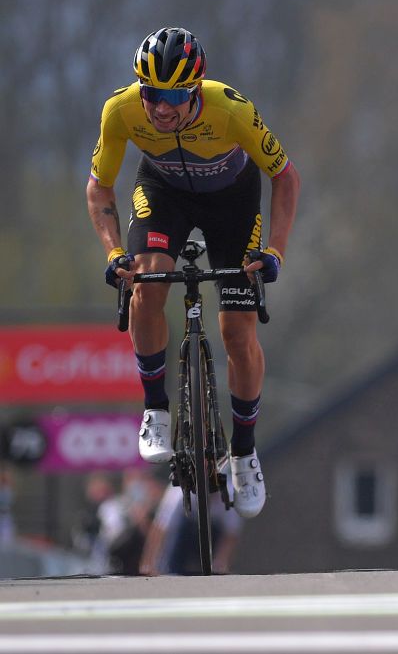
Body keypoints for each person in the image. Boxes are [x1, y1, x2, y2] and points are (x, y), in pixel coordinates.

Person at [86, 27, 300, 519]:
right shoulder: (120, 111)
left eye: (174, 97)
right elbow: (99, 188)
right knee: (146, 280)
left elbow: (285, 177)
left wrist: (276, 252)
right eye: (152, 94)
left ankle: (244, 453)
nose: (161, 109)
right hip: (164, 196)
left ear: (195, 90)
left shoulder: (231, 109)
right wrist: (114, 252)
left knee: (237, 332)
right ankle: (156, 409)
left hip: (233, 202)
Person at [139, 483, 243, 575]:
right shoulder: (178, 493)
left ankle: (210, 570)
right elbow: (160, 529)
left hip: (211, 536)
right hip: (184, 535)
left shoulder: (229, 494)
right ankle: (172, 570)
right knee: (180, 529)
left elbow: (230, 535)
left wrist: (221, 562)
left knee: (215, 534)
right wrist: (148, 563)